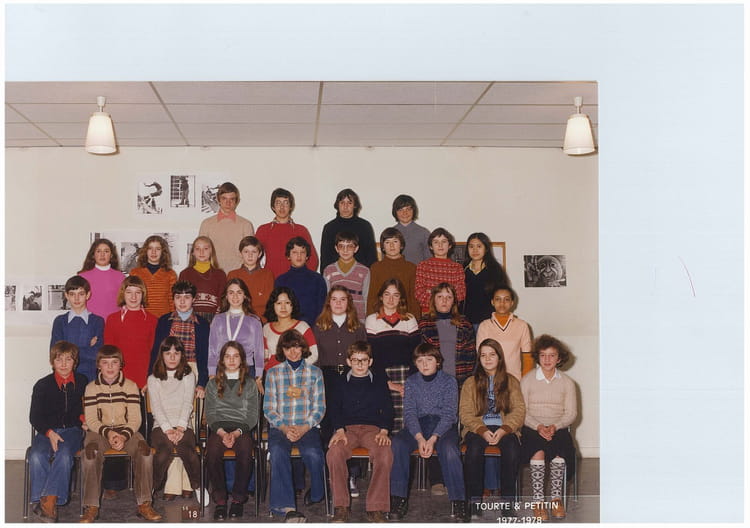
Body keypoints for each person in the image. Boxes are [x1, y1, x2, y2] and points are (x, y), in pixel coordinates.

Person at [80, 345, 162, 522]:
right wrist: (109, 433)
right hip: (99, 432)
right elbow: (92, 420)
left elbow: (135, 419)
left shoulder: (131, 386)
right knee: (90, 454)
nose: (110, 367)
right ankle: (91, 506)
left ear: (121, 365)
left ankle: (144, 503)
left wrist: (123, 436)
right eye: (105, 363)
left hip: (127, 430)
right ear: (98, 366)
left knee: (145, 452)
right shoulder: (91, 388)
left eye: (114, 362)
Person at [389, 343, 468, 522]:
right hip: (418, 424)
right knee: (398, 443)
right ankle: (398, 499)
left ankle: (459, 501)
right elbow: (409, 413)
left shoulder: (449, 381)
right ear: (415, 363)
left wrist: (432, 439)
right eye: (420, 360)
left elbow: (449, 414)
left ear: (438, 362)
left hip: (443, 426)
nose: (424, 364)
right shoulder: (411, 382)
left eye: (429, 360)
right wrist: (419, 437)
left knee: (449, 449)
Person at [326, 341, 394, 523]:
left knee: (385, 452)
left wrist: (384, 431)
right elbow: (334, 409)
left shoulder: (379, 381)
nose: (360, 364)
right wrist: (339, 430)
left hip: (373, 429)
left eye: (364, 360)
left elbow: (388, 408)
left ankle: (376, 508)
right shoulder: (339, 382)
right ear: (348, 361)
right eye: (355, 360)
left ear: (370, 361)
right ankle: (341, 507)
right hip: (347, 429)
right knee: (334, 452)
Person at [264, 329, 326, 522]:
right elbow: (268, 408)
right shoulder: (273, 373)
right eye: (288, 348)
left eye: (297, 347)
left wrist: (304, 427)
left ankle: (317, 493)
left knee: (314, 454)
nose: (293, 352)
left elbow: (320, 407)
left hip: (307, 426)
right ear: (282, 350)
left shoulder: (315, 373)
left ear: (303, 348)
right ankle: (287, 508)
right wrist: (284, 428)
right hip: (280, 428)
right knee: (277, 452)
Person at [460, 338, 525, 518]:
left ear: (499, 357)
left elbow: (519, 410)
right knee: (473, 450)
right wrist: (481, 430)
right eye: (483, 355)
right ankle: (474, 502)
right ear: (479, 358)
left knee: (512, 450)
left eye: (492, 355)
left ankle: (507, 503)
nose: (487, 359)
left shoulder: (511, 381)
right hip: (477, 429)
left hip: (505, 427)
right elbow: (465, 413)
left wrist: (505, 429)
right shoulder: (470, 383)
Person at [28, 341, 87, 522]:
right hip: (47, 431)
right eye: (58, 359)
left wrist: (84, 420)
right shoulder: (42, 385)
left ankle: (48, 502)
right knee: (36, 455)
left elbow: (87, 408)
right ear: (52, 362)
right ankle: (45, 500)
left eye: (68, 359)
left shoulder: (83, 382)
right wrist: (49, 433)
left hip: (72, 431)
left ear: (75, 362)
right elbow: (34, 416)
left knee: (64, 455)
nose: (63, 364)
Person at [520, 335, 577, 521]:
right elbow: (522, 412)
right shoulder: (527, 380)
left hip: (557, 427)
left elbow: (571, 413)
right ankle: (538, 502)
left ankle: (556, 500)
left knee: (559, 453)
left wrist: (556, 426)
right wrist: (538, 426)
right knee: (538, 452)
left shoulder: (567, 383)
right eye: (543, 355)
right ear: (537, 357)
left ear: (559, 358)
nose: (547, 360)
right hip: (532, 427)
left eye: (552, 355)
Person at [205, 341, 260, 520]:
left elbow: (252, 415)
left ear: (242, 360)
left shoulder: (250, 384)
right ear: (221, 360)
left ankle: (238, 499)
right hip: (219, 428)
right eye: (227, 356)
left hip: (242, 428)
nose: (231, 360)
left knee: (245, 450)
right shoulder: (212, 384)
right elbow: (210, 414)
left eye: (235, 356)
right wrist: (222, 433)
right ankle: (220, 500)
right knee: (212, 452)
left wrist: (236, 433)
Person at [147, 337, 202, 504]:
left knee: (189, 452)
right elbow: (156, 407)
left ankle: (197, 486)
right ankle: (151, 488)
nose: (172, 357)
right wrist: (168, 429)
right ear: (161, 355)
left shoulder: (188, 375)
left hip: (183, 425)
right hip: (161, 427)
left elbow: (187, 403)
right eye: (168, 353)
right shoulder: (153, 379)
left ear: (181, 355)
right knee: (164, 451)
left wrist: (180, 427)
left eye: (176, 353)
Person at [365, 278, 420, 433]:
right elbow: (373, 355)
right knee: (385, 424)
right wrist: (388, 383)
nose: (391, 299)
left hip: (408, 376)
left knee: (409, 424)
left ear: (400, 298)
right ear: (381, 297)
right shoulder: (372, 320)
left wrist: (409, 384)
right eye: (387, 294)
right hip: (382, 376)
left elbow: (416, 354)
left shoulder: (409, 319)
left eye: (395, 295)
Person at [150, 280, 210, 398]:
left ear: (194, 299)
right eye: (178, 297)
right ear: (173, 299)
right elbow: (156, 351)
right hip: (167, 370)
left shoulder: (202, 324)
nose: (182, 302)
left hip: (193, 370)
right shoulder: (164, 321)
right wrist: (151, 375)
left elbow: (204, 356)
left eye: (187, 297)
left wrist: (202, 383)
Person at [208, 279, 264, 394]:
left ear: (245, 296)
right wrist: (212, 373)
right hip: (222, 370)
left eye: (239, 292)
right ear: (226, 296)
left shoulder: (254, 320)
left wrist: (259, 376)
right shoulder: (218, 319)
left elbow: (259, 351)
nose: (235, 296)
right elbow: (212, 349)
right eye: (231, 292)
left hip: (247, 370)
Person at [104, 275, 158, 390]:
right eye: (129, 292)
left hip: (144, 379)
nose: (133, 297)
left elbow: (155, 354)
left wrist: (150, 378)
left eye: (138, 292)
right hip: (119, 378)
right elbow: (109, 353)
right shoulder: (112, 319)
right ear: (123, 294)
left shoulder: (152, 320)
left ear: (143, 294)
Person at [418, 282, 476, 387]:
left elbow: (471, 356)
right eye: (440, 296)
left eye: (449, 297)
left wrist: (467, 380)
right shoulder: (424, 323)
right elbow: (420, 355)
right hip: (433, 380)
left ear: (454, 301)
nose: (444, 301)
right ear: (433, 300)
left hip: (460, 380)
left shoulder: (464, 323)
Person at [50, 275, 104, 384]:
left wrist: (67, 351)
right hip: (65, 376)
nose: (76, 298)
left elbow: (97, 354)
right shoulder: (60, 321)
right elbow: (55, 354)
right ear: (66, 295)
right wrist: (87, 348)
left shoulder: (97, 321)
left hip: (90, 377)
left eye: (81, 294)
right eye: (72, 294)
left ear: (88, 295)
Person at [255, 187, 318, 278]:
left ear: (291, 206)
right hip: (270, 280)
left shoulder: (301, 230)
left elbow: (313, 260)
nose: (282, 207)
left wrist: (303, 278)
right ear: (273, 206)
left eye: (286, 203)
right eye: (278, 203)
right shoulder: (263, 230)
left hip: (295, 280)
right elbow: (254, 256)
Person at [475, 286, 532, 381]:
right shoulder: (484, 326)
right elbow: (481, 356)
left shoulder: (522, 325)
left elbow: (527, 357)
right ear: (492, 302)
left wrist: (525, 381)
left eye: (506, 299)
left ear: (512, 303)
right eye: (498, 299)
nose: (502, 303)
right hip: (491, 380)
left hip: (515, 380)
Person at [199, 182, 255, 272]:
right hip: (213, 274)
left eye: (232, 199)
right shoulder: (206, 224)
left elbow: (250, 255)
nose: (228, 203)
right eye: (224, 198)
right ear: (218, 199)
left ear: (237, 201)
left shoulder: (246, 225)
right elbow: (201, 254)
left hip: (238, 275)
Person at [319, 188, 378, 270]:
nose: (345, 207)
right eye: (342, 203)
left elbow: (371, 257)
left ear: (355, 205)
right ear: (337, 205)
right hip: (335, 274)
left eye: (349, 203)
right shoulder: (329, 228)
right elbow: (325, 259)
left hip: (360, 273)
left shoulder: (365, 226)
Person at [262, 286, 319, 371]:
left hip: (298, 374)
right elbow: (264, 355)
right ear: (273, 306)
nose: (283, 307)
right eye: (279, 303)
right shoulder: (266, 328)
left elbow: (314, 355)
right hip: (273, 375)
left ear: (293, 305)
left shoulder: (302, 327)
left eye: (287, 303)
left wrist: (295, 367)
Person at [274, 236, 327, 327]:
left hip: (312, 327)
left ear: (307, 256)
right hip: (288, 328)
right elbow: (278, 310)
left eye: (302, 252)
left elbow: (322, 309)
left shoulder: (317, 279)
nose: (299, 256)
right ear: (288, 256)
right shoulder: (281, 281)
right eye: (294, 252)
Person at [366, 228, 420, 316]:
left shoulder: (411, 268)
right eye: (387, 242)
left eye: (395, 241)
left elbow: (413, 298)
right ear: (383, 247)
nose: (391, 245)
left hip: (405, 316)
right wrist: (371, 318)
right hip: (381, 316)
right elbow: (372, 298)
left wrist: (414, 319)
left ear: (401, 245)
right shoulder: (376, 268)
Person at [462, 232, 510, 331]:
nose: (475, 250)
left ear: (486, 248)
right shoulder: (462, 270)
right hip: (466, 324)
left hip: (489, 323)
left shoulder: (495, 271)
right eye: (471, 246)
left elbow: (501, 298)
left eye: (479, 246)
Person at [415, 228, 466, 315]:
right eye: (436, 242)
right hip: (428, 313)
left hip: (450, 314)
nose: (440, 245)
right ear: (431, 246)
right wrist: (448, 295)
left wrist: (431, 291)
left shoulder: (457, 267)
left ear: (449, 245)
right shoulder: (423, 266)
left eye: (444, 242)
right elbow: (419, 294)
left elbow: (460, 294)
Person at [322, 231, 370, 323]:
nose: (345, 250)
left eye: (350, 246)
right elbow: (327, 299)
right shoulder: (329, 270)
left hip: (358, 320)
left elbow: (366, 298)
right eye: (341, 246)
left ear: (356, 248)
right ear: (336, 248)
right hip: (335, 321)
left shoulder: (364, 271)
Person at [178, 236, 227, 322]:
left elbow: (222, 300)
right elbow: (181, 299)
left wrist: (217, 319)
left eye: (205, 248)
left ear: (211, 251)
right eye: (197, 249)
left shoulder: (220, 274)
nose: (201, 252)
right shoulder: (185, 274)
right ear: (193, 252)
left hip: (214, 318)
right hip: (190, 317)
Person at [227, 236, 275, 323]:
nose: (250, 255)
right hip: (237, 319)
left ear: (259, 254)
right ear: (240, 253)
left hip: (261, 320)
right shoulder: (232, 275)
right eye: (246, 252)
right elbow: (228, 301)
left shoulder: (267, 274)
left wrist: (243, 300)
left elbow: (268, 301)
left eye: (254, 251)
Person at [128, 235, 178, 318]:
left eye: (158, 249)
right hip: (142, 318)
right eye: (150, 248)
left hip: (163, 319)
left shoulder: (170, 274)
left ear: (163, 252)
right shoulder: (135, 273)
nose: (153, 252)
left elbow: (172, 300)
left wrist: (172, 319)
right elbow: (131, 299)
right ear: (145, 251)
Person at [78, 238, 125, 319]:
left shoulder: (121, 277)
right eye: (98, 251)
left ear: (111, 255)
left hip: (113, 322)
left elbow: (124, 304)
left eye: (106, 251)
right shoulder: (82, 277)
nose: (102, 255)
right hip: (89, 323)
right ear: (93, 255)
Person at [391, 194, 431, 265]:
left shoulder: (424, 233)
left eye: (408, 209)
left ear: (414, 211)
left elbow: (429, 259)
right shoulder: (390, 233)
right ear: (395, 212)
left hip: (418, 271)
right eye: (400, 210)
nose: (405, 213)